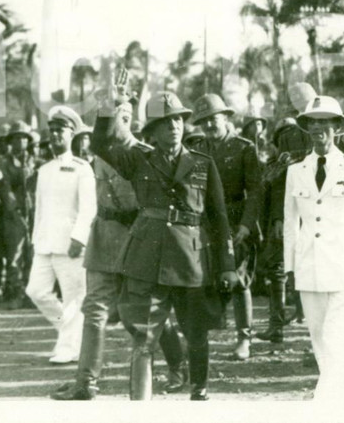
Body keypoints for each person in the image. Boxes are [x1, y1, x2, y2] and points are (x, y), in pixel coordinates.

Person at [93, 76, 239, 401]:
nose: (174, 126)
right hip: (148, 258)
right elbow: (101, 145)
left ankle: (199, 392)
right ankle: (139, 406)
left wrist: (227, 264)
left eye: (178, 120)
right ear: (153, 131)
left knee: (196, 333)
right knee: (144, 337)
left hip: (192, 260)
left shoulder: (203, 164)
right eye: (165, 122)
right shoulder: (139, 160)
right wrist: (112, 105)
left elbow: (219, 218)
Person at [52, 99, 189, 400]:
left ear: (133, 122)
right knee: (95, 309)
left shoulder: (147, 155)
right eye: (114, 116)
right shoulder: (99, 158)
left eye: (123, 117)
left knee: (148, 311)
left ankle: (179, 366)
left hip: (138, 240)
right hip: (104, 237)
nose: (118, 122)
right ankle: (86, 382)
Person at [284, 95, 344, 401]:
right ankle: (339, 403)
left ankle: (323, 402)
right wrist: (288, 267)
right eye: (313, 122)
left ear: (337, 128)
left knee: (338, 338)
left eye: (325, 123)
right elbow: (290, 223)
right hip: (309, 268)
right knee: (320, 342)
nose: (318, 129)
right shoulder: (296, 169)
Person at [191, 93, 263, 361]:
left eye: (214, 120)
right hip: (207, 222)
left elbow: (255, 192)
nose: (209, 126)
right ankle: (206, 335)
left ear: (225, 118)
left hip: (236, 220)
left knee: (239, 280)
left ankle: (245, 339)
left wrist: (246, 224)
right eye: (204, 122)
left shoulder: (244, 148)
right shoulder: (198, 149)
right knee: (208, 276)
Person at [26, 106, 97, 364]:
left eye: (61, 131)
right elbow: (40, 212)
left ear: (72, 135)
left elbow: (89, 208)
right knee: (36, 291)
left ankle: (69, 347)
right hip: (45, 243)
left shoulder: (82, 168)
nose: (55, 135)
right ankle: (70, 334)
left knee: (73, 299)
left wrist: (79, 238)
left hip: (71, 244)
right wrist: (35, 241)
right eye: (52, 130)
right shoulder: (44, 170)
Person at [256, 118, 309, 344]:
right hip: (298, 221)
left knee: (279, 270)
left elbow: (278, 190)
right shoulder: (304, 157)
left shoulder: (283, 161)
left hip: (287, 221)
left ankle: (277, 325)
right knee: (296, 268)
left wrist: (277, 219)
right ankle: (297, 315)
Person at [0, 120, 37, 309]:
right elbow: (5, 189)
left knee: (33, 253)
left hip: (33, 212)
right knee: (15, 255)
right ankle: (14, 292)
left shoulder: (34, 161)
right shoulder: (4, 163)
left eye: (23, 138)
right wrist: (13, 209)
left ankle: (30, 293)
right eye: (16, 138)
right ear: (10, 141)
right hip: (14, 214)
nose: (20, 142)